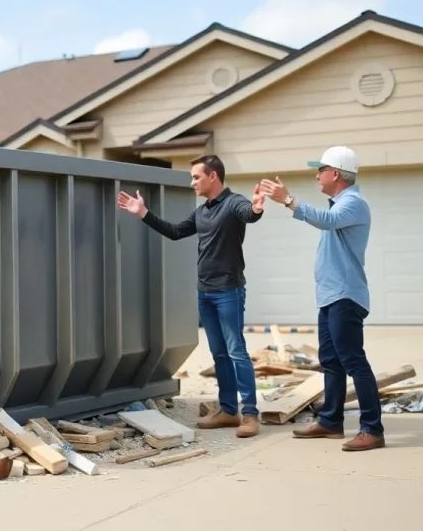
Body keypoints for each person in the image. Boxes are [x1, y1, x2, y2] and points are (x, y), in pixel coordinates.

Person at [118, 154, 264, 438]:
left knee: (237, 351)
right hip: (205, 292)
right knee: (219, 353)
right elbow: (174, 232)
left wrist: (257, 209)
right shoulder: (202, 212)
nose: (193, 182)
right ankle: (227, 411)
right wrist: (142, 213)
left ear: (213, 176)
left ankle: (250, 414)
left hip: (229, 291)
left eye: (197, 177)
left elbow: (249, 213)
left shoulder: (233, 203)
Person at [259, 145, 384, 452]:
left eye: (321, 170)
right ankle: (331, 422)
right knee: (330, 361)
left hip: (345, 296)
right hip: (330, 296)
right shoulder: (339, 204)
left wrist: (288, 201)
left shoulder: (354, 203)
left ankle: (373, 429)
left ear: (336, 174)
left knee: (353, 360)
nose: (317, 174)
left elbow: (325, 221)